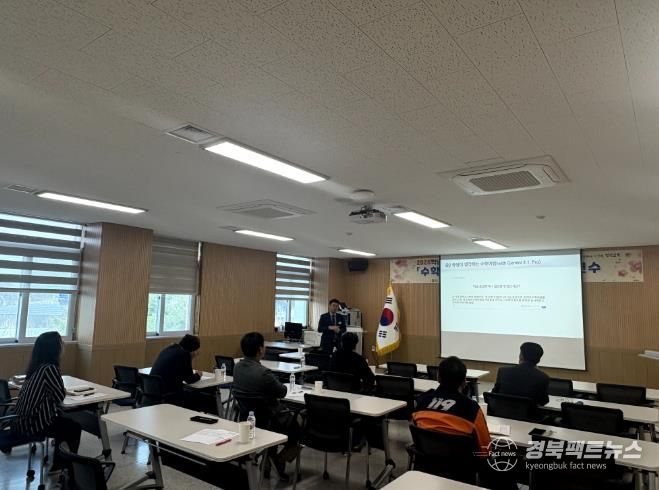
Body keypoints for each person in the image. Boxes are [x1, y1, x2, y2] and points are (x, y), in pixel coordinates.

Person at [233, 332, 300, 480]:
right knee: (299, 432)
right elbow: (282, 392)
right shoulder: (264, 373)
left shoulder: (237, 367)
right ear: (260, 350)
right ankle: (279, 459)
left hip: (247, 420)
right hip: (269, 420)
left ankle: (269, 459)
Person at [12, 331, 82, 472]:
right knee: (73, 427)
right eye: (61, 343)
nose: (63, 346)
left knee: (64, 423)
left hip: (19, 420)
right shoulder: (50, 369)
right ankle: (63, 465)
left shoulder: (36, 367)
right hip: (34, 424)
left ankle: (60, 462)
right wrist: (62, 390)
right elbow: (59, 397)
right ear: (54, 349)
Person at [413, 356, 491, 456]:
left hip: (425, 463)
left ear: (438, 377)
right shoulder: (471, 409)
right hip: (461, 465)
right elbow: (486, 451)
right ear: (464, 381)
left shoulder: (421, 402)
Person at [151, 334, 216, 412]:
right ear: (192, 349)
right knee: (202, 397)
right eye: (195, 350)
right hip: (168, 394)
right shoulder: (184, 354)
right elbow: (189, 380)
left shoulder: (169, 348)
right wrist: (198, 375)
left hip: (153, 391)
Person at [492, 342, 550, 406]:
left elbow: (494, 394)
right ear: (538, 360)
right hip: (528, 412)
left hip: (502, 411)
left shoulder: (503, 371)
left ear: (521, 356)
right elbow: (543, 401)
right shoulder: (543, 377)